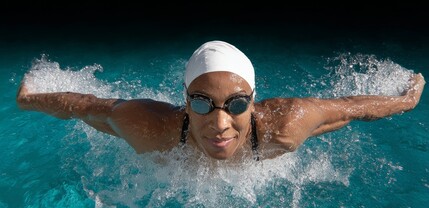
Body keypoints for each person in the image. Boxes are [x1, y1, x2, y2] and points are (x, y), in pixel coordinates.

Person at [16, 40, 425, 161]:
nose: (219, 123)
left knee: (325, 124)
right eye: (201, 103)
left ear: (253, 99)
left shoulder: (285, 124)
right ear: (184, 101)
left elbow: (350, 107)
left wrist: (405, 101)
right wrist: (30, 99)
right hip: (161, 129)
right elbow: (90, 107)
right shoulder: (151, 126)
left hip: (269, 137)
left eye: (235, 104)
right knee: (105, 122)